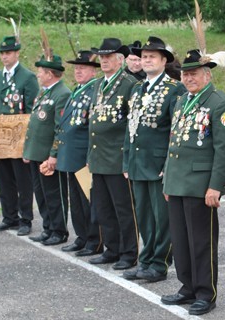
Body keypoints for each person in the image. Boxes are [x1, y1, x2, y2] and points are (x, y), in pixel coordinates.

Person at [160, 48, 225, 316]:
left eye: (193, 74)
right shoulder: (183, 101)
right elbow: (174, 142)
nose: (188, 78)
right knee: (181, 241)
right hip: (178, 183)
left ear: (207, 75)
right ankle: (188, 286)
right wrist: (168, 181)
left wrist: (216, 186)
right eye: (185, 74)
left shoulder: (219, 103)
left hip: (200, 185)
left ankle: (206, 292)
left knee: (201, 242)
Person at [121, 36, 185, 283]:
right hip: (137, 163)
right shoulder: (137, 89)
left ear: (163, 60)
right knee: (144, 217)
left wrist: (168, 165)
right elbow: (131, 128)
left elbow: (176, 131)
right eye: (144, 56)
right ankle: (145, 260)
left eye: (152, 57)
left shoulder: (174, 89)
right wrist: (126, 160)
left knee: (162, 219)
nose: (146, 60)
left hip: (158, 165)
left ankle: (159, 264)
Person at [86, 38, 139, 270]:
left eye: (108, 57)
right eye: (102, 57)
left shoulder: (129, 84)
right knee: (104, 208)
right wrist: (90, 155)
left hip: (117, 158)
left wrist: (128, 158)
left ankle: (129, 252)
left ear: (120, 60)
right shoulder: (98, 84)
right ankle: (112, 248)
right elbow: (94, 122)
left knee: (123, 209)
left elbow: (133, 124)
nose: (104, 61)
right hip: (99, 157)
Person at [0, 35, 39, 237]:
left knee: (22, 180)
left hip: (19, 136)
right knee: (5, 178)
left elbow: (33, 109)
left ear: (17, 53)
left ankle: (26, 218)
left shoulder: (27, 77)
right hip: (1, 137)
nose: (5, 57)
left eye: (8, 53)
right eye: (2, 53)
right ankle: (9, 216)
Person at [57, 50, 104, 256]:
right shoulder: (77, 90)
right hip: (70, 156)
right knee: (75, 202)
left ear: (93, 71)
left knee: (88, 202)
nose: (78, 71)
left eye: (83, 68)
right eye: (76, 68)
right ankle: (82, 237)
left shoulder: (94, 90)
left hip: (83, 156)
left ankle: (94, 241)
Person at [24, 53, 71, 246]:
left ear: (51, 74)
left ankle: (59, 231)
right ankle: (48, 227)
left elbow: (59, 127)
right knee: (41, 194)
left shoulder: (62, 93)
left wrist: (53, 154)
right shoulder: (44, 92)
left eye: (41, 72)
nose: (38, 75)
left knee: (54, 195)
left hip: (48, 156)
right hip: (36, 153)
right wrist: (27, 152)